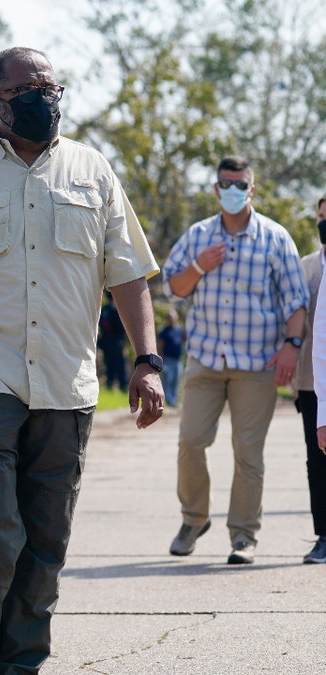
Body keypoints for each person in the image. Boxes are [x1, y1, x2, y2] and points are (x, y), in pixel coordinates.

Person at [0, 47, 165, 674]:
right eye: (27, 88)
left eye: (51, 85)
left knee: (45, 543)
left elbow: (128, 274)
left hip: (65, 384)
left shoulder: (91, 169)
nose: (43, 96)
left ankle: (21, 665)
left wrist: (147, 359)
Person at [163, 155, 308, 565]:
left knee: (248, 452)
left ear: (252, 188)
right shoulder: (197, 236)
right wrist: (199, 266)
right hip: (206, 360)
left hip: (257, 363)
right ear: (215, 188)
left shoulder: (276, 238)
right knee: (190, 442)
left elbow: (296, 300)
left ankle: (243, 536)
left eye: (240, 184)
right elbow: (173, 287)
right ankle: (193, 520)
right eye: (226, 184)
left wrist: (291, 345)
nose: (233, 191)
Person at [300, 196, 326, 563]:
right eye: (322, 217)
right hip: (313, 380)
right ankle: (324, 534)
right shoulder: (306, 266)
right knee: (318, 459)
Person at [97, 292, 129, 391]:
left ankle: (114, 385)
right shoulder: (118, 309)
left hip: (109, 342)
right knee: (117, 365)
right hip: (116, 342)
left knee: (112, 365)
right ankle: (119, 385)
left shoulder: (105, 309)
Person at [158, 308, 186, 407]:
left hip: (178, 360)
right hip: (167, 359)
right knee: (167, 380)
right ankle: (167, 400)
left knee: (176, 380)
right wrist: (161, 360)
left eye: (172, 317)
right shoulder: (164, 331)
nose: (171, 319)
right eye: (169, 317)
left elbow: (184, 339)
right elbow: (161, 345)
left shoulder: (180, 330)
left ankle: (173, 401)